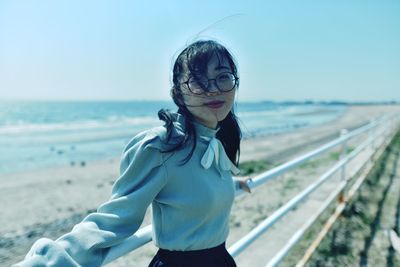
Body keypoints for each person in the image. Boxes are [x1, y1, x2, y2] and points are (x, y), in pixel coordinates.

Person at [14, 39, 251, 267]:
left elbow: (193, 186)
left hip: (221, 260)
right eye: (198, 81)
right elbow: (116, 217)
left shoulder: (212, 142)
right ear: (178, 93)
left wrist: (232, 184)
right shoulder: (161, 147)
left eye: (223, 77)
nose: (213, 90)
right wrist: (48, 261)